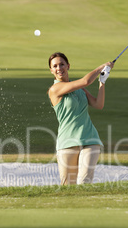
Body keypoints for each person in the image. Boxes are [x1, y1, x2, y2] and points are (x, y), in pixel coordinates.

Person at [48, 52, 113, 185]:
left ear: (68, 66)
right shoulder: (54, 89)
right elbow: (86, 81)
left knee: (84, 182)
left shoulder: (80, 89)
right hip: (67, 142)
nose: (59, 68)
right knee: (68, 186)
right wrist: (101, 67)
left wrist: (102, 82)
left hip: (90, 138)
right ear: (51, 70)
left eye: (62, 64)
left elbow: (98, 104)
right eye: (55, 66)